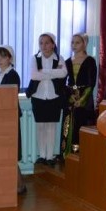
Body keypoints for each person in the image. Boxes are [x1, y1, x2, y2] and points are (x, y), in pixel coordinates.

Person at [25, 33, 68, 166]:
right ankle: (42, 155)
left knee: (51, 127)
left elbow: (63, 73)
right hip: (38, 97)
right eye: (41, 43)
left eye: (47, 43)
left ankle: (50, 157)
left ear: (53, 45)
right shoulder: (34, 58)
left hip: (54, 97)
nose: (43, 46)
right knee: (40, 127)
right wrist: (53, 73)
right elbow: (34, 76)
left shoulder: (59, 58)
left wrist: (44, 71)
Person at [0, 45, 26, 194]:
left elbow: (8, 96)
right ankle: (11, 184)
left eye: (2, 57)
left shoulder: (12, 75)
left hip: (9, 117)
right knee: (5, 152)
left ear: (10, 59)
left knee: (11, 152)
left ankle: (20, 185)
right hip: (0, 117)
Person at [60, 33, 97, 157]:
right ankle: (67, 154)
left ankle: (82, 154)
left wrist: (81, 100)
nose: (74, 45)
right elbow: (62, 82)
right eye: (72, 42)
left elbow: (91, 83)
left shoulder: (90, 61)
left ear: (84, 44)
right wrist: (69, 95)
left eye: (77, 42)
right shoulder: (67, 62)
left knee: (81, 123)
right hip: (70, 97)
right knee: (68, 124)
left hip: (84, 98)